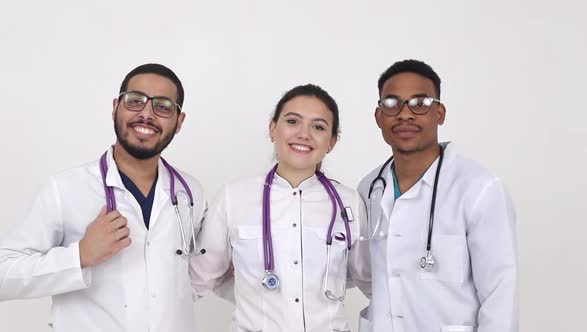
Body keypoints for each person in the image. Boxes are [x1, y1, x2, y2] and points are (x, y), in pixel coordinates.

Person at [0, 63, 207, 332]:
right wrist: (80, 256)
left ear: (179, 122)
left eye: (163, 106)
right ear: (115, 107)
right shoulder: (64, 189)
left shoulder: (190, 192)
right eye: (135, 101)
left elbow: (196, 276)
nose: (146, 114)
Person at [190, 84, 370, 332]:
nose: (304, 134)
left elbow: (366, 277)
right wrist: (250, 289)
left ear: (331, 142)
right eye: (293, 121)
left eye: (318, 127)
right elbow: (201, 277)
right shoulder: (234, 198)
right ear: (273, 128)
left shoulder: (348, 202)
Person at [357, 59, 518, 332]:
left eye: (420, 103)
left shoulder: (478, 187)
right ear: (378, 117)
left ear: (440, 113)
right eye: (392, 104)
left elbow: (501, 292)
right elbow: (366, 275)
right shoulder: (369, 187)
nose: (405, 114)